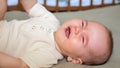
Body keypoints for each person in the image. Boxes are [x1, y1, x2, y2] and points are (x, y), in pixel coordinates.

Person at [0, 0, 112, 68]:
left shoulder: (49, 55)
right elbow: (30, 5)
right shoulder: (52, 20)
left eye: (83, 39)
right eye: (83, 24)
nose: (78, 29)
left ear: (74, 59)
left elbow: (20, 65)